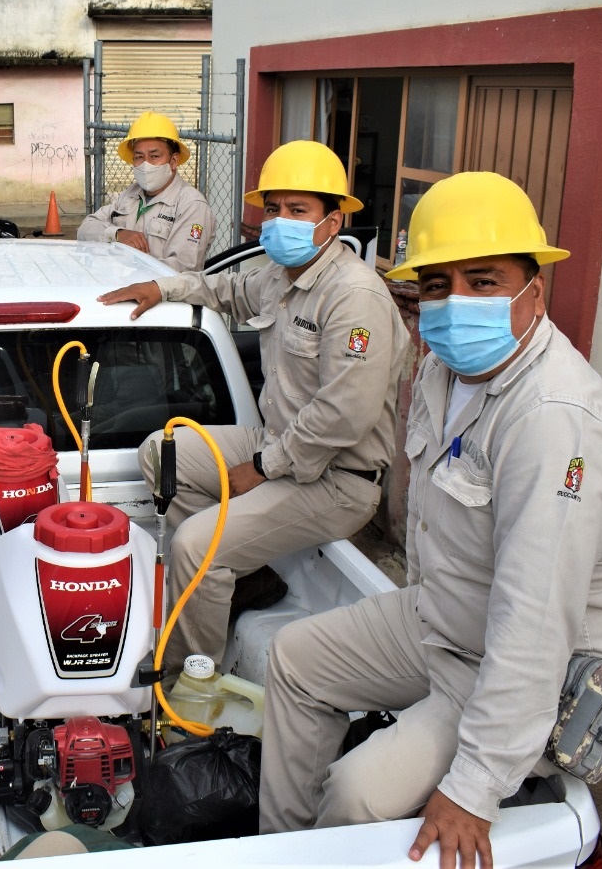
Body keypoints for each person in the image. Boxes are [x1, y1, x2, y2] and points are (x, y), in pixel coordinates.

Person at [257, 171, 602, 869]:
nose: (455, 303)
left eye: (483, 281)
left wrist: (474, 788)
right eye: (438, 286)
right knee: (294, 659)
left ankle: (331, 846)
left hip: (533, 665)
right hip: (447, 619)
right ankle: (281, 852)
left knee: (358, 793)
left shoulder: (554, 421)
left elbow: (535, 626)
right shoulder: (446, 367)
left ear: (535, 288)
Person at [99, 140, 409, 674]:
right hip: (278, 445)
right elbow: (222, 289)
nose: (280, 221)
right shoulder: (279, 276)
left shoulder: (354, 296)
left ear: (332, 222)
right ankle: (240, 579)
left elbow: (344, 415)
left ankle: (184, 673)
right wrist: (161, 286)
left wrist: (262, 469)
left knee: (197, 546)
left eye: (297, 210)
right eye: (273, 209)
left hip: (337, 477)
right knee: (163, 452)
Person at [78, 110, 214, 273]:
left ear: (173, 161)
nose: (145, 164)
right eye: (139, 157)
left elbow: (182, 269)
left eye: (155, 156)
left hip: (159, 296)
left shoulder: (191, 205)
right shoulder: (130, 195)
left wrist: (129, 277)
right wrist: (118, 234)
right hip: (115, 288)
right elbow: (85, 229)